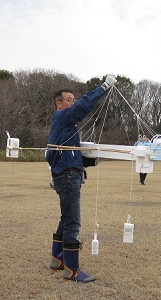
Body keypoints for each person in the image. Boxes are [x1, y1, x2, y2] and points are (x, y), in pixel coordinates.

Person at [46, 74, 117, 283]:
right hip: (68, 177)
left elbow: (71, 155)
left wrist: (93, 160)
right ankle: (72, 269)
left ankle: (57, 260)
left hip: (67, 174)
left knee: (65, 219)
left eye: (73, 100)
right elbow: (84, 106)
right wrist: (103, 87)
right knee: (73, 222)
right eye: (70, 100)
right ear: (59, 103)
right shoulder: (63, 117)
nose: (73, 102)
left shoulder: (65, 126)